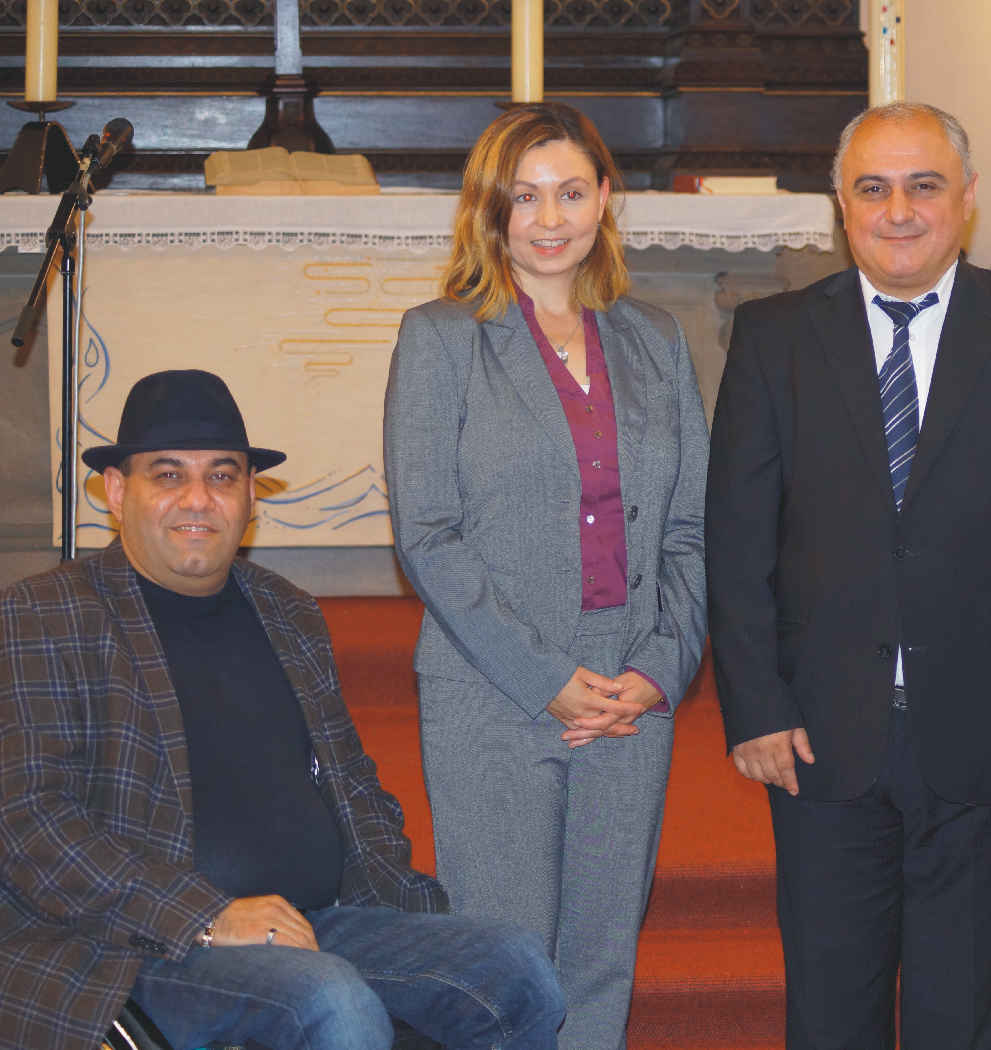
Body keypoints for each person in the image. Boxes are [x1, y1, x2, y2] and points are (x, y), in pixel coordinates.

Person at [705, 101, 991, 1050]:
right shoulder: (774, 337)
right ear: (839, 206)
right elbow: (735, 536)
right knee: (830, 1006)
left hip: (988, 728)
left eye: (923, 185)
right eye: (873, 188)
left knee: (968, 1009)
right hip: (816, 737)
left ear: (966, 200)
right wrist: (756, 704)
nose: (899, 210)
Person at [0, 368, 564, 1050]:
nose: (199, 500)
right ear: (118, 491)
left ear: (249, 495)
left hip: (315, 922)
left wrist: (414, 918)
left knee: (515, 968)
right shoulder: (42, 614)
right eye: (169, 475)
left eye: (223, 475)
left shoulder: (286, 609)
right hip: (141, 944)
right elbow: (29, 820)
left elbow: (354, 784)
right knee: (328, 1001)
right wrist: (207, 914)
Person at [383, 102, 708, 1050]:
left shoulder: (654, 337)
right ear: (490, 210)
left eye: (571, 192)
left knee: (602, 951)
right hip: (496, 685)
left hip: (628, 687)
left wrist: (658, 667)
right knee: (508, 958)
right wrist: (545, 680)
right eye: (525, 198)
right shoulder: (441, 337)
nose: (551, 218)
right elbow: (428, 535)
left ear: (606, 199)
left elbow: (690, 526)